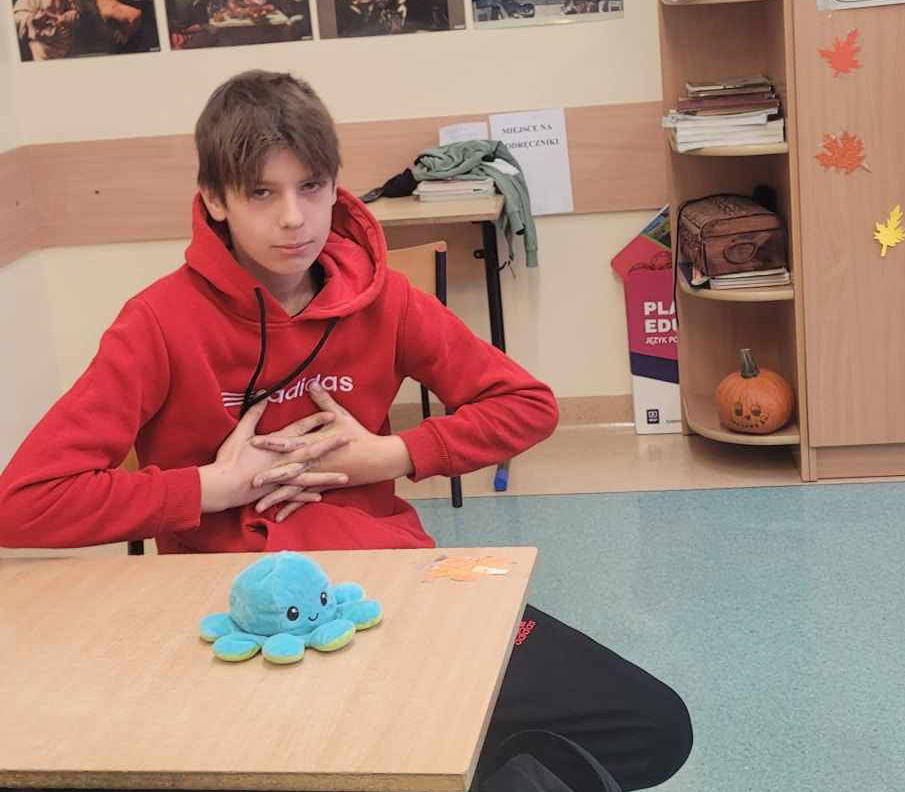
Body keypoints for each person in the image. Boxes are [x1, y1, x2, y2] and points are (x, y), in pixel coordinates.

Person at [0, 70, 691, 790]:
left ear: (335, 186)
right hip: (234, 612)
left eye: (311, 187)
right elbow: (21, 503)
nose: (293, 218)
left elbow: (527, 404)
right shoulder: (157, 323)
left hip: (390, 582)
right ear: (214, 200)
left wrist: (388, 455)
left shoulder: (384, 299)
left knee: (653, 725)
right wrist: (212, 487)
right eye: (261, 193)